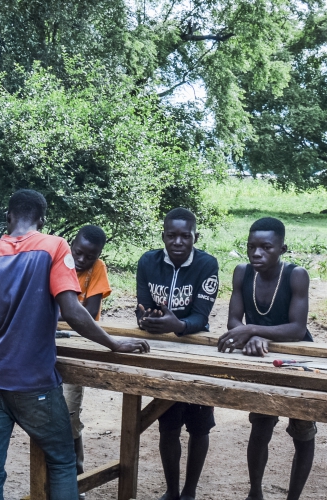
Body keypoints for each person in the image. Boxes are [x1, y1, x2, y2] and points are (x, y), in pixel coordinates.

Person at [0, 190, 150, 500]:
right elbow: (73, 311)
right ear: (42, 220)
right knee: (62, 461)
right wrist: (113, 343)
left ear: (9, 218)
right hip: (33, 383)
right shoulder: (54, 247)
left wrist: (0, 337)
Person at [216, 217, 314, 500]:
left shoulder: (296, 275)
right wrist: (252, 335)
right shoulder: (242, 273)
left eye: (266, 248)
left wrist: (255, 330)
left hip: (297, 360)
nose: (256, 253)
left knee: (303, 429)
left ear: (282, 249)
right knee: (260, 423)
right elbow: (233, 320)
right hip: (261, 358)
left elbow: (297, 328)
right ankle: (254, 492)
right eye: (251, 247)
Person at [135, 207, 220, 500]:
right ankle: (171, 491)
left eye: (186, 236)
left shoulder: (207, 264)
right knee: (167, 424)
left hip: (196, 352)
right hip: (162, 351)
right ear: (164, 236)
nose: (179, 242)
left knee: (199, 426)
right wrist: (145, 319)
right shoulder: (148, 261)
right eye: (172, 235)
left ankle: (189, 492)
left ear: (195, 236)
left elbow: (201, 316)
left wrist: (178, 325)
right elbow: (143, 305)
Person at [63, 224, 111, 476]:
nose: (81, 260)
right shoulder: (59, 261)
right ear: (72, 244)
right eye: (78, 253)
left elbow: (90, 312)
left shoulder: (97, 269)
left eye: (89, 257)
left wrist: (63, 312)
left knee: (69, 414)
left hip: (78, 348)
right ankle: (53, 478)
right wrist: (70, 312)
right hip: (51, 345)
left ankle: (75, 477)